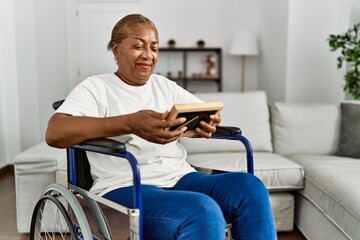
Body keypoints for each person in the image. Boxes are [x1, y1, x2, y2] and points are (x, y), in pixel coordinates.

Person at [46, 14, 276, 240]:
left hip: (180, 177)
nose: (148, 55)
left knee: (250, 188)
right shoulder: (96, 87)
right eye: (138, 46)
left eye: (154, 48)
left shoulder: (164, 85)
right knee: (201, 210)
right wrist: (130, 123)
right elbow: (55, 132)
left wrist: (206, 124)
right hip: (124, 186)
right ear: (116, 50)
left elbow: (200, 112)